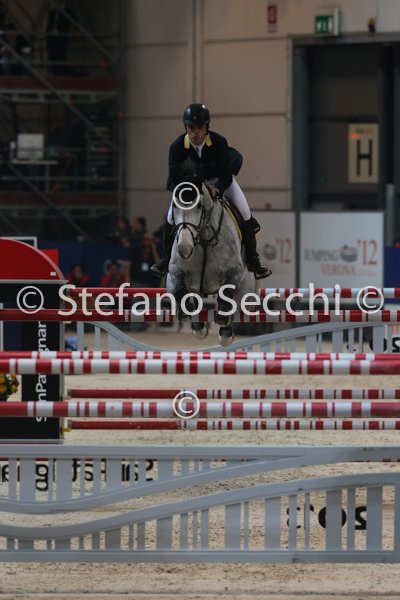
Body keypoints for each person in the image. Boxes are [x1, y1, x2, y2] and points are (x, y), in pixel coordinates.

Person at [151, 103, 271, 280]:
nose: (195, 133)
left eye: (199, 128)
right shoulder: (177, 147)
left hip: (218, 182)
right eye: (191, 128)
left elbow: (226, 175)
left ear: (206, 127)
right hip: (189, 186)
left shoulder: (219, 142)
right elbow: (173, 178)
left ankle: (254, 262)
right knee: (170, 218)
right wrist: (190, 189)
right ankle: (165, 260)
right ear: (186, 128)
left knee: (245, 213)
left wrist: (217, 189)